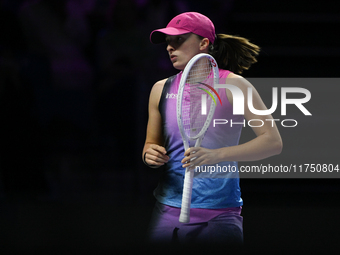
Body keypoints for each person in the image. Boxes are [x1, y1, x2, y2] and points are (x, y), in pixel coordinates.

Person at [142, 12, 282, 244]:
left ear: (204, 43)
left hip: (219, 215)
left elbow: (272, 142)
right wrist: (150, 155)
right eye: (168, 41)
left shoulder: (233, 85)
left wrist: (218, 154)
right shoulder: (160, 89)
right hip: (166, 211)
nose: (169, 47)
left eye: (179, 40)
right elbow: (150, 144)